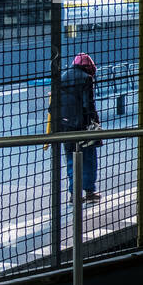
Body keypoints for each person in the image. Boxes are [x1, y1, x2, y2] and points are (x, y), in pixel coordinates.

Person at [58, 53, 102, 202]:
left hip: (65, 125)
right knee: (89, 158)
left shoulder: (62, 77)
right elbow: (88, 104)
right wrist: (95, 122)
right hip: (82, 125)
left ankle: (74, 193)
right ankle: (90, 191)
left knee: (71, 159)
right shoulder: (86, 78)